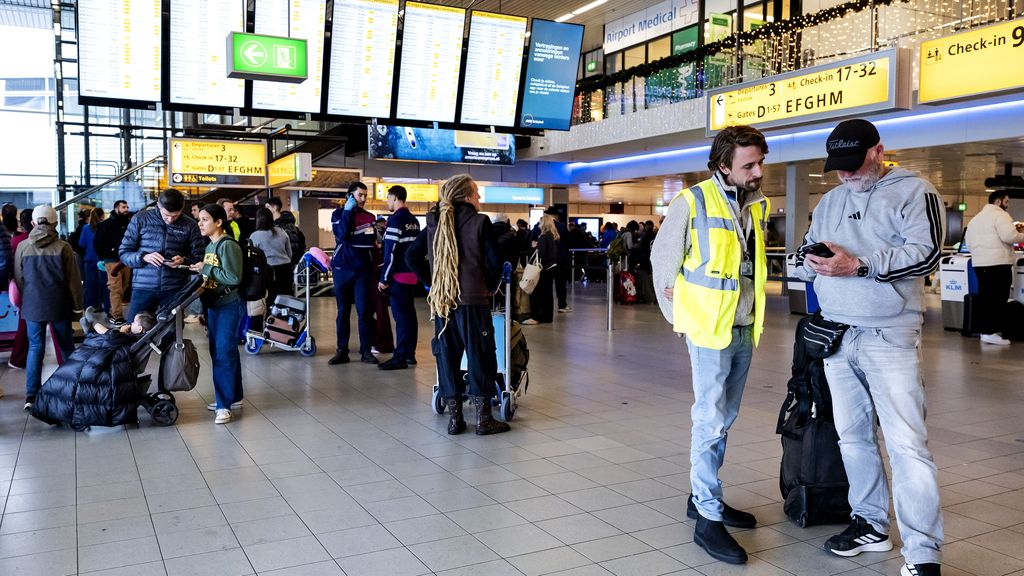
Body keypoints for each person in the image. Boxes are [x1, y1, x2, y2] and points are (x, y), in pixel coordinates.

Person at [795, 119, 945, 576]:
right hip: (838, 335)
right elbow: (804, 254)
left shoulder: (915, 191)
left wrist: (859, 266)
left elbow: (929, 252)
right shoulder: (830, 200)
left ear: (879, 151)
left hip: (889, 334)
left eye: (853, 164)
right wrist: (810, 260)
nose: (844, 175)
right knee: (853, 438)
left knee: (908, 445)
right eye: (837, 167)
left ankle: (922, 553)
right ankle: (870, 523)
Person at [651, 125, 771, 565]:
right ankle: (706, 516)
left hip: (743, 327)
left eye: (760, 161)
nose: (758, 171)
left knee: (725, 417)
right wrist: (681, 320)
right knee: (709, 419)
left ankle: (702, 497)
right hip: (708, 329)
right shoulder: (692, 202)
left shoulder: (755, 205)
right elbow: (662, 266)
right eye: (749, 165)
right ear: (724, 165)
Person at [405, 174, 509, 435]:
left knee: (447, 356)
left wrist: (433, 282)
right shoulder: (479, 222)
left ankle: (455, 419)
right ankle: (483, 419)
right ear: (466, 196)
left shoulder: (433, 221)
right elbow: (495, 264)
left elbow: (411, 256)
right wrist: (488, 287)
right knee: (480, 355)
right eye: (476, 193)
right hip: (474, 302)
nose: (479, 198)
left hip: (444, 302)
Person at [14, 205, 83, 411]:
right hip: (59, 304)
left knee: (35, 348)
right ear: (55, 223)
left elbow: (19, 279)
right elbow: (73, 281)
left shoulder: (23, 247)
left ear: (33, 223)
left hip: (33, 305)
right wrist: (78, 308)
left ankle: (32, 395)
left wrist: (29, 297)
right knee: (66, 347)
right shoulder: (64, 247)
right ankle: (71, 389)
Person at [190, 203, 244, 425]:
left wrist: (206, 268)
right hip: (214, 304)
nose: (200, 223)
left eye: (204, 219)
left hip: (228, 304)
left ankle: (224, 406)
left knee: (222, 353)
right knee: (223, 351)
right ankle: (234, 396)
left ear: (219, 222)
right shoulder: (211, 246)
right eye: (200, 219)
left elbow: (233, 277)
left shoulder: (227, 245)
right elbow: (213, 275)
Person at [119, 189, 205, 321]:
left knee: (172, 333)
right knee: (135, 330)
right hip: (143, 287)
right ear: (158, 205)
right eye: (166, 215)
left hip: (174, 288)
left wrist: (183, 261)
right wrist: (143, 257)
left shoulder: (190, 225)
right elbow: (124, 253)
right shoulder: (140, 219)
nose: (170, 220)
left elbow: (199, 258)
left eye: (175, 216)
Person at [963, 190, 1024, 346]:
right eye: (1006, 201)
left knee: (986, 298)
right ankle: (990, 332)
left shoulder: (975, 219)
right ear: (998, 202)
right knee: (998, 299)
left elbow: (968, 242)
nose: (1007, 204)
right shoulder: (1000, 215)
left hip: (980, 264)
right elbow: (1009, 236)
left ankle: (986, 331)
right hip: (998, 264)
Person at [328, 182, 378, 365]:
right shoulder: (338, 214)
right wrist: (348, 212)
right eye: (360, 195)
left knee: (364, 311)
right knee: (343, 311)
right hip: (342, 269)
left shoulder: (369, 217)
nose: (363, 199)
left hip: (362, 270)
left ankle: (366, 351)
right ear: (350, 196)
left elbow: (369, 239)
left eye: (365, 195)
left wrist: (354, 235)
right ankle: (342, 350)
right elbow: (341, 235)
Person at [377, 186, 421, 371]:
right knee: (410, 315)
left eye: (388, 198)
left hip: (398, 277)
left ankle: (400, 356)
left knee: (401, 318)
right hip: (412, 276)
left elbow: (391, 252)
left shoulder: (395, 220)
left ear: (394, 197)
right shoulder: (414, 220)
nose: (387, 202)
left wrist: (384, 278)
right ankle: (410, 354)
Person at [94, 200, 132, 323]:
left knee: (124, 286)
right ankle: (117, 315)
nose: (126, 209)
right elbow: (97, 243)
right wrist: (105, 257)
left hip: (126, 260)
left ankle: (112, 311)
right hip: (112, 261)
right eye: (123, 207)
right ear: (116, 209)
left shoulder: (129, 224)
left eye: (127, 207)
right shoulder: (106, 224)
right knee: (115, 288)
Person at [249, 207, 293, 308]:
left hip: (267, 270)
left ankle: (270, 321)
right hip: (285, 268)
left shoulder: (254, 236)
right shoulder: (281, 232)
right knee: (285, 299)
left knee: (269, 299)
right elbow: (289, 253)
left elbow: (252, 258)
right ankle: (284, 321)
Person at [523, 214, 559, 325]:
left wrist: (535, 246)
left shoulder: (543, 236)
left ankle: (536, 316)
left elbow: (542, 253)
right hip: (552, 266)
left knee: (537, 292)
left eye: (539, 222)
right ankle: (547, 316)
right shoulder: (553, 236)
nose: (538, 224)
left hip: (543, 268)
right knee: (548, 293)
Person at [79, 207, 107, 310]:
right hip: (102, 260)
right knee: (104, 285)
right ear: (102, 216)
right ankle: (103, 306)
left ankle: (88, 307)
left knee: (89, 285)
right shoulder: (104, 227)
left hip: (89, 260)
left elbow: (81, 243)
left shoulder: (86, 228)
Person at [265, 196, 305, 265]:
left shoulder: (286, 225)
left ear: (275, 208)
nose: (266, 210)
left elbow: (292, 246)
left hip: (285, 264)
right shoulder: (275, 224)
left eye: (268, 207)